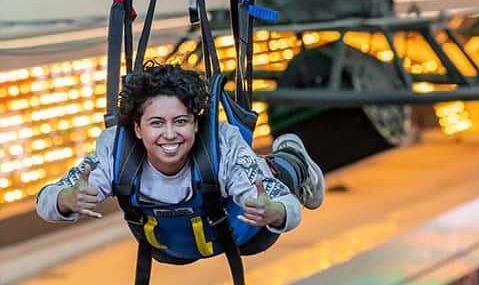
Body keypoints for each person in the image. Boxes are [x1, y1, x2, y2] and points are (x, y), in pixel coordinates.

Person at [37, 62, 325, 248]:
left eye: (181, 121)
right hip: (172, 247)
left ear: (196, 123)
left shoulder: (224, 148)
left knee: (275, 176)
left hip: (244, 234)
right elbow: (47, 199)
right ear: (137, 128)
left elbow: (288, 207)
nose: (170, 135)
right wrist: (65, 200)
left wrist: (275, 212)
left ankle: (292, 156)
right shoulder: (115, 151)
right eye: (156, 123)